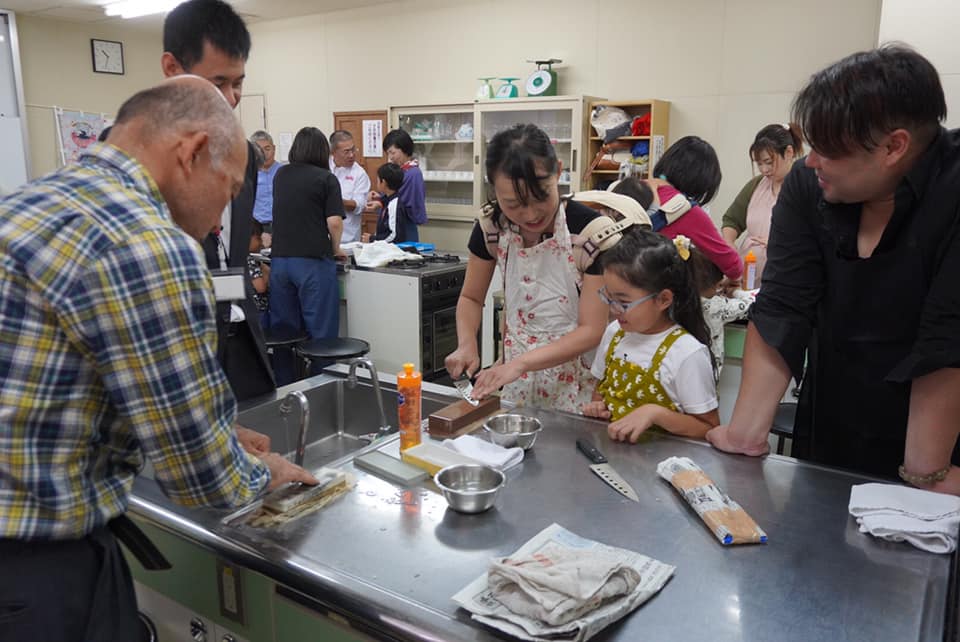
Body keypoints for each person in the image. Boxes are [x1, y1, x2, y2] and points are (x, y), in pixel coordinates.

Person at [0, 78, 317, 642]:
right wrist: (264, 471)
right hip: (38, 568)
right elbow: (201, 476)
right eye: (228, 190)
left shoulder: (27, 203)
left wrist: (217, 429)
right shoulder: (146, 243)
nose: (222, 221)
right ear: (192, 152)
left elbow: (58, 389)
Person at [706, 45, 960, 491]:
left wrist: (926, 476)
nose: (810, 160)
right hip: (834, 409)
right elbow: (783, 305)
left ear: (893, 147)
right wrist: (744, 435)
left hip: (941, 435)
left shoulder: (953, 187)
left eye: (826, 149)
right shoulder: (809, 185)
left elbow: (948, 336)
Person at [444, 124, 611, 413]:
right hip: (516, 382)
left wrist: (520, 363)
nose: (531, 214)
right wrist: (467, 343)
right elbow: (471, 298)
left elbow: (593, 329)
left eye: (541, 196)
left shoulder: (592, 235)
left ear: (558, 170)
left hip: (582, 383)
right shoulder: (491, 228)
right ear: (493, 188)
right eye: (514, 204)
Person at [161, 0, 275, 401]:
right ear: (173, 70)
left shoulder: (243, 157)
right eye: (217, 82)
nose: (229, 98)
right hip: (181, 351)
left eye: (238, 83)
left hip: (243, 336)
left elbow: (234, 250)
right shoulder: (151, 161)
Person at [583, 231, 719, 441]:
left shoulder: (686, 354)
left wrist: (655, 414)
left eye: (623, 302)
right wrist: (597, 409)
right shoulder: (614, 333)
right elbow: (599, 392)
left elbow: (708, 428)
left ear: (664, 299)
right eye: (609, 298)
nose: (613, 309)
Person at [269, 126, 345, 384]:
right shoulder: (326, 178)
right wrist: (336, 249)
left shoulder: (280, 174)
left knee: (284, 333)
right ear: (323, 151)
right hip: (312, 263)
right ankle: (321, 388)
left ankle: (284, 390)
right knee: (321, 335)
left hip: (279, 263)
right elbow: (334, 222)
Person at [641, 137, 743, 283]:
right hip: (648, 293)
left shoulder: (628, 188)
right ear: (701, 180)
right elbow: (734, 267)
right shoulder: (685, 210)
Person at [721, 123, 804, 287]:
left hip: (785, 278)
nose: (764, 170)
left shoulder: (803, 186)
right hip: (748, 274)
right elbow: (731, 219)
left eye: (768, 162)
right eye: (759, 164)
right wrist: (729, 245)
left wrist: (778, 242)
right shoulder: (757, 184)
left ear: (788, 153)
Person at [366, 128, 425, 241]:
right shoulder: (401, 170)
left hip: (404, 225)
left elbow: (401, 203)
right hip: (394, 222)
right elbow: (393, 195)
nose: (390, 157)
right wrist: (379, 198)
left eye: (392, 153)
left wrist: (380, 203)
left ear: (404, 149)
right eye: (388, 153)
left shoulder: (413, 173)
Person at [329, 130, 370, 244]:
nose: (351, 155)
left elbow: (359, 205)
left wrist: (332, 199)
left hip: (348, 239)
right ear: (333, 152)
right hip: (324, 237)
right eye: (346, 151)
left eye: (353, 149)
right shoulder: (324, 167)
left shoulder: (359, 173)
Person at [362, 162, 411, 243]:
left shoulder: (394, 204)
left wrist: (372, 239)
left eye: (377, 180)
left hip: (391, 251)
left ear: (383, 182)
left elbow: (395, 235)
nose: (377, 182)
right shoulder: (388, 200)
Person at [250, 129, 283, 247]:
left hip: (282, 226)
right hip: (258, 229)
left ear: (274, 148)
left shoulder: (284, 171)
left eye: (267, 149)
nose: (264, 153)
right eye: (260, 150)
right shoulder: (248, 175)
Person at [248, 219, 270, 325]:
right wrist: (265, 271)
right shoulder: (249, 260)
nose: (260, 243)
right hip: (258, 310)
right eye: (258, 239)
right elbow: (260, 287)